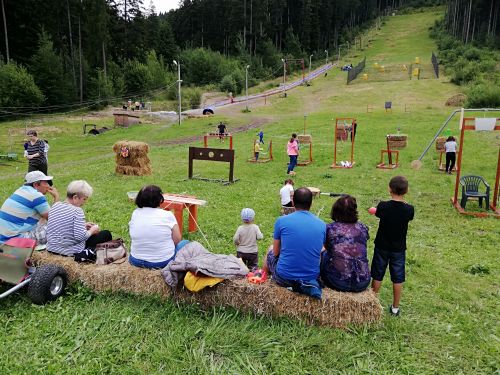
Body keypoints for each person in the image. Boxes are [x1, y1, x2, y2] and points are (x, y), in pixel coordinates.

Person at [263, 188, 326, 299]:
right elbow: (322, 248)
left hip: (284, 278)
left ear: (292, 202)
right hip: (311, 278)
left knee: (270, 249)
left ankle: (263, 278)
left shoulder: (281, 221)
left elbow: (276, 252)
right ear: (311, 203)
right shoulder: (322, 224)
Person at [369, 176, 414, 316]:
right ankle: (395, 307)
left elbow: (377, 212)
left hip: (382, 246)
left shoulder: (383, 206)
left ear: (389, 189)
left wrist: (373, 209)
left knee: (377, 274)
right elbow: (407, 215)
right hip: (399, 248)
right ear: (406, 190)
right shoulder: (409, 209)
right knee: (398, 276)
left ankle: (373, 304)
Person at [47, 180, 111, 262]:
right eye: (84, 199)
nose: (84, 202)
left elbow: (62, 225)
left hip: (51, 249)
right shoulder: (77, 211)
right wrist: (92, 230)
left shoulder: (55, 205)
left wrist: (83, 225)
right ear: (75, 198)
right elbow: (81, 237)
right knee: (106, 234)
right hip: (69, 252)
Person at [320, 195, 370, 292]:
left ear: (336, 210)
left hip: (336, 281)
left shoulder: (330, 228)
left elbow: (325, 247)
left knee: (323, 253)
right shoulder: (363, 227)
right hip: (363, 281)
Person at [129, 185, 183, 269]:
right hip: (161, 263)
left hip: (135, 260)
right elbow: (177, 240)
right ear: (160, 199)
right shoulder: (167, 215)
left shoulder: (135, 213)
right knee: (185, 243)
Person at [0, 171, 59, 245]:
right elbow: (54, 219)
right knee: (58, 228)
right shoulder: (36, 196)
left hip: (3, 239)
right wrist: (56, 197)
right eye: (46, 182)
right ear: (35, 184)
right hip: (14, 241)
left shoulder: (19, 191)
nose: (48, 185)